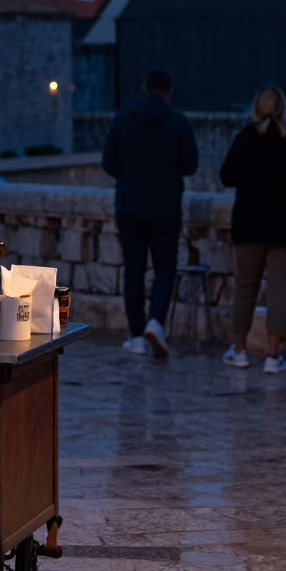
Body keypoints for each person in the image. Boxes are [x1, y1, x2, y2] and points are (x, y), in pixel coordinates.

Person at [220, 86, 286, 374]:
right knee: (280, 291)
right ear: (283, 110)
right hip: (285, 228)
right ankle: (273, 356)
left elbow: (226, 175)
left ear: (256, 109)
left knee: (245, 290)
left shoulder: (245, 140)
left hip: (248, 226)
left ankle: (239, 351)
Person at [102, 69, 199, 358]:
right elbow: (191, 165)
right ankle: (156, 322)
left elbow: (109, 164)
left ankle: (135, 335)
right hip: (165, 208)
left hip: (129, 207)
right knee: (164, 268)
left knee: (133, 269)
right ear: (168, 91)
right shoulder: (178, 123)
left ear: (144, 88)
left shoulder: (122, 119)